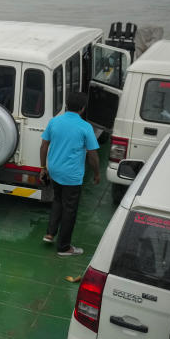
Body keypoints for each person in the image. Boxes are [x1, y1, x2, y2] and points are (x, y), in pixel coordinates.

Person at [39, 91, 100, 257]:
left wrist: (43, 167)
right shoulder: (85, 127)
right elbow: (92, 155)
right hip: (71, 176)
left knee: (57, 200)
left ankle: (50, 233)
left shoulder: (54, 121)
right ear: (82, 109)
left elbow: (44, 146)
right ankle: (64, 247)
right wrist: (96, 173)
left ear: (66, 105)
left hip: (55, 171)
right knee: (70, 210)